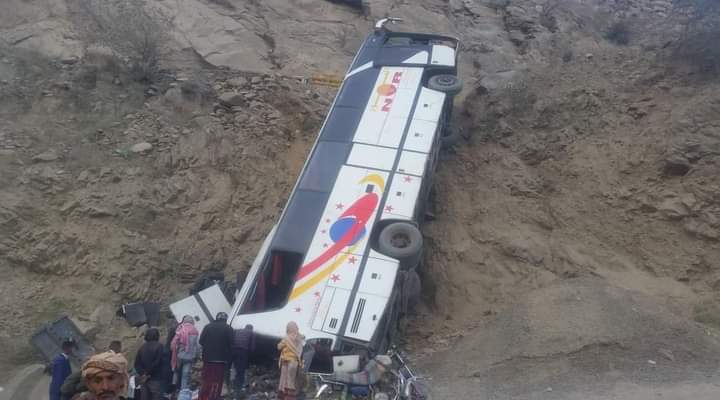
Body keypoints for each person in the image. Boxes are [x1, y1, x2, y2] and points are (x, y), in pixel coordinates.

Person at [199, 312, 234, 400]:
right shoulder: (229, 328)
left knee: (206, 379)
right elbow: (232, 344)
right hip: (221, 360)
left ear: (216, 318)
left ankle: (203, 397)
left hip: (207, 359)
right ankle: (214, 397)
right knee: (218, 380)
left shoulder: (207, 326)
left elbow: (201, 341)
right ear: (225, 319)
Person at [134, 328, 164, 400]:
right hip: (155, 378)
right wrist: (147, 373)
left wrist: (143, 374)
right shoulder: (160, 346)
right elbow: (157, 362)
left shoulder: (142, 347)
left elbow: (136, 364)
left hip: (144, 380)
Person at [171, 315, 199, 391]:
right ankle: (183, 391)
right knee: (185, 374)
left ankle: (174, 388)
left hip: (179, 356)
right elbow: (197, 346)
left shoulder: (180, 329)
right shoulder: (195, 331)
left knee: (176, 372)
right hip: (189, 357)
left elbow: (173, 343)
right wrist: (196, 356)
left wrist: (174, 352)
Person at [277, 322, 304, 400]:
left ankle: (282, 395)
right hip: (294, 361)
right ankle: (289, 397)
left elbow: (279, 347)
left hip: (285, 360)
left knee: (283, 378)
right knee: (291, 379)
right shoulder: (299, 338)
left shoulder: (286, 338)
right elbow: (301, 348)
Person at [230, 324, 255, 399]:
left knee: (234, 367)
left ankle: (232, 382)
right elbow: (252, 347)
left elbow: (232, 340)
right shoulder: (251, 333)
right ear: (251, 329)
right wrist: (251, 355)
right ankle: (239, 387)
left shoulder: (238, 331)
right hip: (242, 351)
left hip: (233, 351)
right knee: (241, 370)